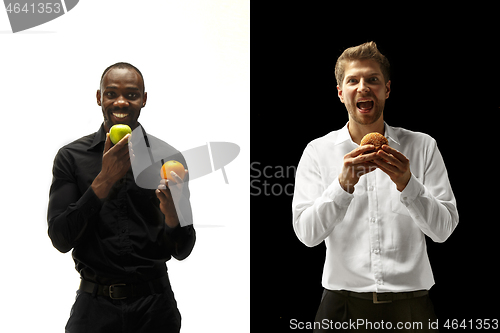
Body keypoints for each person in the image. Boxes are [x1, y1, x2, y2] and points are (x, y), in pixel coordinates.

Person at [292, 42, 458, 332]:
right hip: (340, 309)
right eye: (353, 80)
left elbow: (443, 231)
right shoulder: (317, 151)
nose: (363, 87)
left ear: (387, 89)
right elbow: (307, 235)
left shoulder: (423, 147)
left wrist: (408, 184)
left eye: (373, 80)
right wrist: (342, 186)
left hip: (411, 308)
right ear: (341, 92)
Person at [47, 62, 196, 333]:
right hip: (93, 309)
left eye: (131, 94)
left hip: (155, 308)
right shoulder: (71, 157)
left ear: (144, 99)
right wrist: (104, 180)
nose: (121, 102)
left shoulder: (169, 159)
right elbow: (60, 238)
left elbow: (183, 249)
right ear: (99, 97)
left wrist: (174, 216)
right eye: (111, 93)